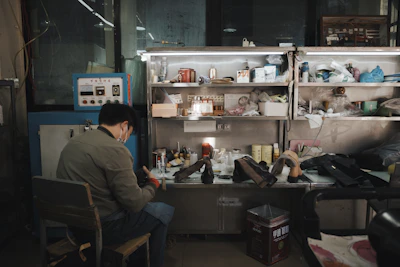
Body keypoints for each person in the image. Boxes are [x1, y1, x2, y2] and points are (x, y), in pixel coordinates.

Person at [56, 103, 174, 267]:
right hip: (103, 227)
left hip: (74, 226)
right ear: (125, 125)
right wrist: (152, 184)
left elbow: (99, 180)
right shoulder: (115, 149)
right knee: (163, 212)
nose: (126, 139)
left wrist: (133, 176)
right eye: (129, 133)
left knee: (148, 214)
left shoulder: (74, 142)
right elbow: (135, 203)